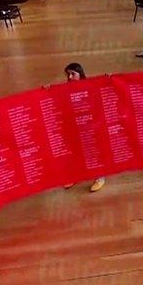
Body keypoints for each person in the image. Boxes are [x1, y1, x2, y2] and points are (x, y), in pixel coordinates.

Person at [62, 63, 106, 192]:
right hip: (74, 125)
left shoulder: (90, 86)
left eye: (73, 74)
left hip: (88, 125)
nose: (70, 77)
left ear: (80, 73)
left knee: (93, 152)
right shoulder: (65, 88)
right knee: (75, 152)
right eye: (68, 74)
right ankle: (76, 175)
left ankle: (100, 177)